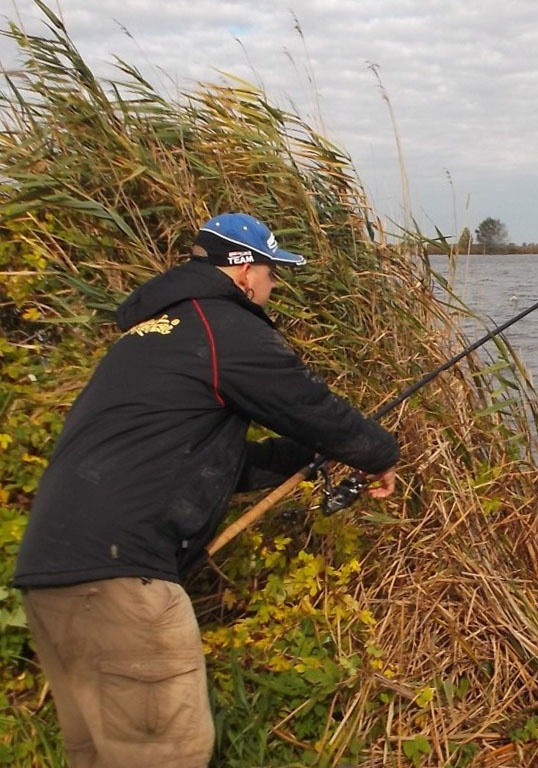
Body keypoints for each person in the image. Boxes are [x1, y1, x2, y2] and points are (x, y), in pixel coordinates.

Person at [13, 213, 400, 767]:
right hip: (122, 579)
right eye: (271, 272)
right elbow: (309, 405)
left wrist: (303, 456)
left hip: (52, 578)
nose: (272, 287)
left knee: (99, 757)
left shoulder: (152, 334)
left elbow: (203, 463)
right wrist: (380, 454)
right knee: (168, 753)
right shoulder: (225, 327)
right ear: (243, 270)